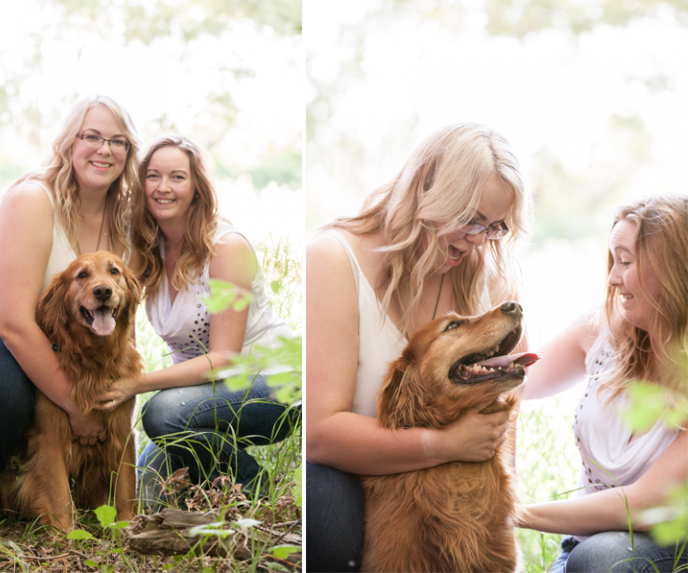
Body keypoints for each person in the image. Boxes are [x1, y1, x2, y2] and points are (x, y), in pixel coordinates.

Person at [305, 123, 532, 572]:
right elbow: (320, 433)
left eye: (494, 226)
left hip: (451, 482)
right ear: (428, 192)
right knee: (324, 512)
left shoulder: (488, 271)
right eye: (469, 220)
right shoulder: (333, 258)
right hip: (349, 471)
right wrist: (443, 445)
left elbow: (502, 422)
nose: (478, 241)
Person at [0, 94, 142, 532]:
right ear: (68, 143)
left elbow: (122, 312)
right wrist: (76, 408)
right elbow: (13, 325)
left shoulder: (125, 216)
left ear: (129, 153)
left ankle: (37, 494)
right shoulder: (33, 200)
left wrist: (117, 391)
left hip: (56, 339)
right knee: (6, 380)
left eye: (118, 141)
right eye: (91, 136)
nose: (105, 149)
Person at [94, 134, 299, 500]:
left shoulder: (226, 248)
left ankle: (253, 488)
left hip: (274, 382)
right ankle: (214, 477)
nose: (163, 187)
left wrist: (137, 383)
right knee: (147, 495)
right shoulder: (147, 251)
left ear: (197, 187)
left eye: (177, 177)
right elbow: (119, 319)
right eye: (153, 176)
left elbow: (223, 360)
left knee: (162, 415)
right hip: (202, 396)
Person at [518, 195, 688, 572]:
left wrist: (511, 512)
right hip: (583, 546)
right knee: (592, 555)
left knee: (602, 557)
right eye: (613, 261)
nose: (612, 278)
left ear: (671, 270)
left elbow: (643, 506)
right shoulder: (605, 330)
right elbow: (517, 382)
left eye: (625, 262)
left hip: (673, 548)